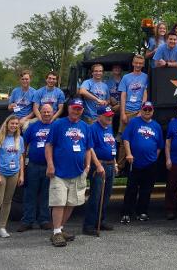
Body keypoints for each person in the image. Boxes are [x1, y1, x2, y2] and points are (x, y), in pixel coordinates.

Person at [45, 98, 93, 247]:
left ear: (82, 110)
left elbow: (88, 148)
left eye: (79, 109)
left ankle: (60, 228)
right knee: (59, 202)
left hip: (78, 172)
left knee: (72, 202)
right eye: (74, 108)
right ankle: (56, 233)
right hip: (59, 172)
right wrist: (50, 165)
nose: (76, 111)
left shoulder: (85, 127)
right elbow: (49, 145)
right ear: (69, 108)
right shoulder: (58, 124)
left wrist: (88, 166)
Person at [121, 101, 164, 223]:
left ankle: (142, 212)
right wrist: (128, 154)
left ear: (153, 111)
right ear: (141, 110)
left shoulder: (156, 126)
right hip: (134, 162)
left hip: (150, 163)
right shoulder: (134, 122)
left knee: (146, 189)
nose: (147, 112)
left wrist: (155, 157)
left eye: (149, 110)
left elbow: (160, 145)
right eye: (145, 109)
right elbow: (126, 138)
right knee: (131, 189)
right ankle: (126, 213)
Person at [0, 115, 25, 240]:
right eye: (12, 123)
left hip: (14, 173)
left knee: (8, 202)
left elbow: (20, 157)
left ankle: (2, 228)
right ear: (7, 124)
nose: (14, 126)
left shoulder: (19, 139)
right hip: (1, 173)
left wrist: (21, 174)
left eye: (16, 124)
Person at [17, 104, 53, 232]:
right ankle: (27, 220)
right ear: (40, 113)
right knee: (29, 194)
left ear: (52, 113)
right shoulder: (32, 127)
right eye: (44, 112)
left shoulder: (55, 127)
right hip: (33, 165)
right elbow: (24, 145)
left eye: (49, 112)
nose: (46, 114)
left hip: (49, 167)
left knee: (45, 194)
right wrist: (23, 164)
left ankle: (44, 220)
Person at [83, 105, 117, 235]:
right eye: (107, 116)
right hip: (100, 165)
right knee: (96, 196)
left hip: (109, 164)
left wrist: (114, 163)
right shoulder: (92, 129)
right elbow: (90, 148)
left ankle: (100, 221)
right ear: (99, 116)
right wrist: (97, 165)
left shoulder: (109, 128)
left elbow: (111, 145)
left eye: (111, 116)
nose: (110, 118)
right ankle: (89, 225)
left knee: (106, 196)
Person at [117, 54, 148, 171]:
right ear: (133, 63)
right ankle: (120, 167)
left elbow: (145, 94)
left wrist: (142, 110)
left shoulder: (146, 77)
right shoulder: (126, 78)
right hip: (127, 110)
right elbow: (123, 96)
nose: (138, 65)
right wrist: (123, 113)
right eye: (136, 63)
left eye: (141, 63)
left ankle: (135, 166)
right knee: (123, 139)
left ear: (143, 64)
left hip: (139, 111)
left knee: (138, 139)